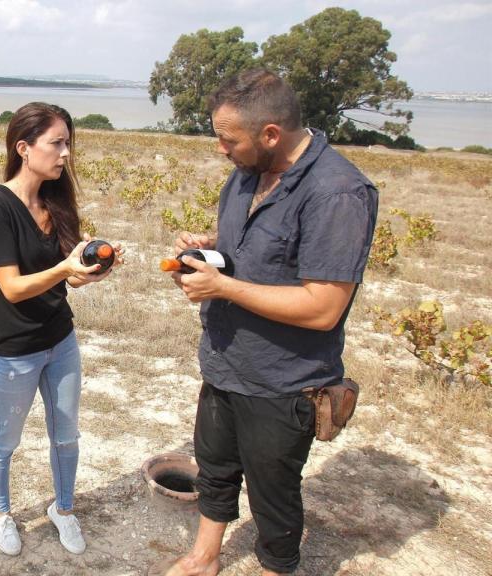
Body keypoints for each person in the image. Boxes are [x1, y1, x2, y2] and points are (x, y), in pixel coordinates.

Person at [163, 69, 378, 576]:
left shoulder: (338, 193)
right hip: (225, 362)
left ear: (271, 134)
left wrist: (223, 288)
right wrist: (210, 254)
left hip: (283, 379)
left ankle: (276, 566)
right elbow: (252, 251)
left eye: (228, 139)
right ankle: (204, 556)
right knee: (214, 468)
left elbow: (324, 307)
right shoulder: (245, 174)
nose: (221, 150)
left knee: (273, 491)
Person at [0, 102, 123, 557]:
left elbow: (69, 275)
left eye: (68, 143)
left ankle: (64, 509)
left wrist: (93, 268)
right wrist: (65, 268)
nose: (65, 154)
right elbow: (13, 288)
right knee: (4, 440)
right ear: (23, 147)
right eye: (57, 143)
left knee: (66, 434)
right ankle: (0, 512)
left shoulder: (56, 202)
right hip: (13, 350)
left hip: (60, 341)